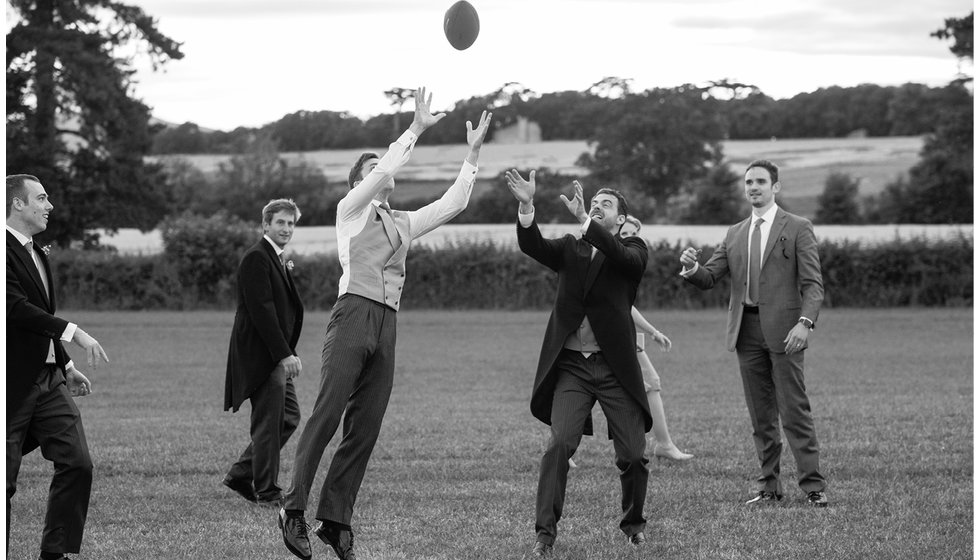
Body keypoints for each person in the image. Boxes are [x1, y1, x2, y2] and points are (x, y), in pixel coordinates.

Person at [278, 88, 491, 560]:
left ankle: (335, 520)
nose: (382, 173)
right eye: (372, 169)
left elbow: (454, 203)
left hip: (387, 324)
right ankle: (292, 508)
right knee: (328, 415)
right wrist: (414, 129)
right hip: (353, 313)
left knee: (366, 425)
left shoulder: (404, 221)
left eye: (380, 167)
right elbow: (388, 168)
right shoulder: (349, 213)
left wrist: (471, 156)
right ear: (360, 181)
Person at [503, 171, 650, 557]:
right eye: (594, 203)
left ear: (620, 220)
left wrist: (586, 219)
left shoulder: (633, 250)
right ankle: (545, 535)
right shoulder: (571, 248)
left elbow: (620, 257)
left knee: (633, 455)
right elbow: (532, 244)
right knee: (559, 446)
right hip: (573, 368)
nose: (598, 207)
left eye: (606, 205)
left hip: (616, 369)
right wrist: (526, 206)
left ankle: (633, 525)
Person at [678, 159, 828, 507]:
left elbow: (814, 286)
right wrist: (691, 267)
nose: (753, 188)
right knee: (761, 417)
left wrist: (804, 324)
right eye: (748, 183)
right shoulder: (735, 233)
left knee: (794, 412)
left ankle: (813, 487)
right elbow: (710, 277)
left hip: (787, 332)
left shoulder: (798, 227)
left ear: (775, 187)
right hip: (746, 332)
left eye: (760, 181)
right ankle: (769, 487)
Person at [6, 174, 110, 560]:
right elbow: (15, 308)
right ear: (18, 204)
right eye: (42, 198)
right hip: (11, 383)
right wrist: (74, 334)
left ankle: (56, 553)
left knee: (77, 463)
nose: (49, 206)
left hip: (49, 380)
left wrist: (63, 364)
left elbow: (40, 315)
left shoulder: (37, 251)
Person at [223, 199, 305, 507]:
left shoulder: (276, 257)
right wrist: (284, 354)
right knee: (269, 422)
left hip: (276, 353)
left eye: (291, 223)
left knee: (289, 416)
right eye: (281, 222)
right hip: (263, 355)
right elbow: (262, 312)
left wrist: (286, 351)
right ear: (265, 225)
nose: (286, 228)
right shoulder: (256, 257)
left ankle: (241, 474)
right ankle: (268, 492)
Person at [619, 216, 692, 462]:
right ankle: (563, 447)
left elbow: (626, 305)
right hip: (608, 335)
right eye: (623, 232)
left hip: (625, 333)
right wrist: (652, 331)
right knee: (585, 391)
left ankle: (664, 444)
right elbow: (621, 305)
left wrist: (652, 332)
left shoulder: (627, 260)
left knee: (651, 381)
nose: (628, 237)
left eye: (633, 234)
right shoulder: (608, 258)